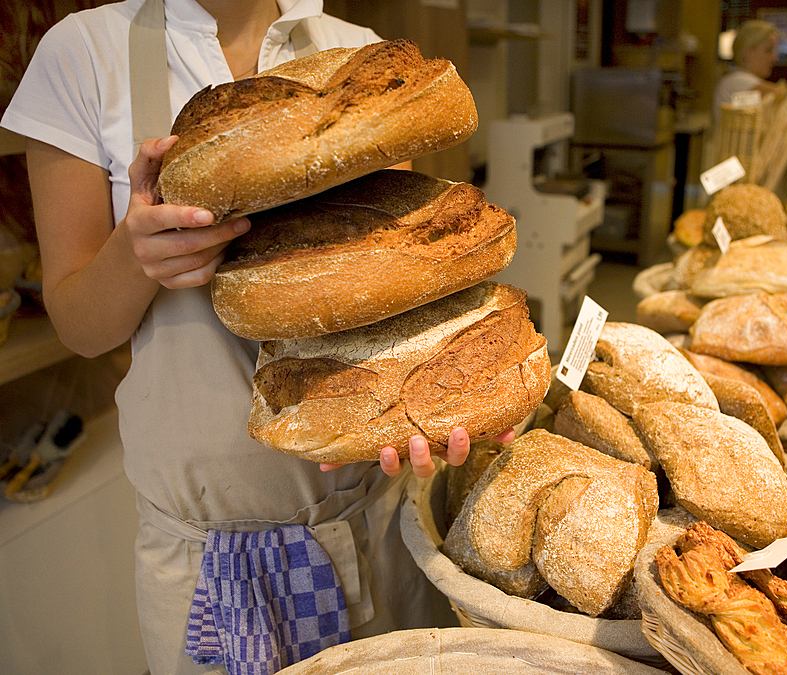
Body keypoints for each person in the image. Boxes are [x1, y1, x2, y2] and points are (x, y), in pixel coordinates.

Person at [2, 1, 512, 673]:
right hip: (202, 563)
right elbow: (78, 324)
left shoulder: (360, 52)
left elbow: (393, 282)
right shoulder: (83, 53)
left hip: (374, 528)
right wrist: (135, 257)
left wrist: (437, 399)